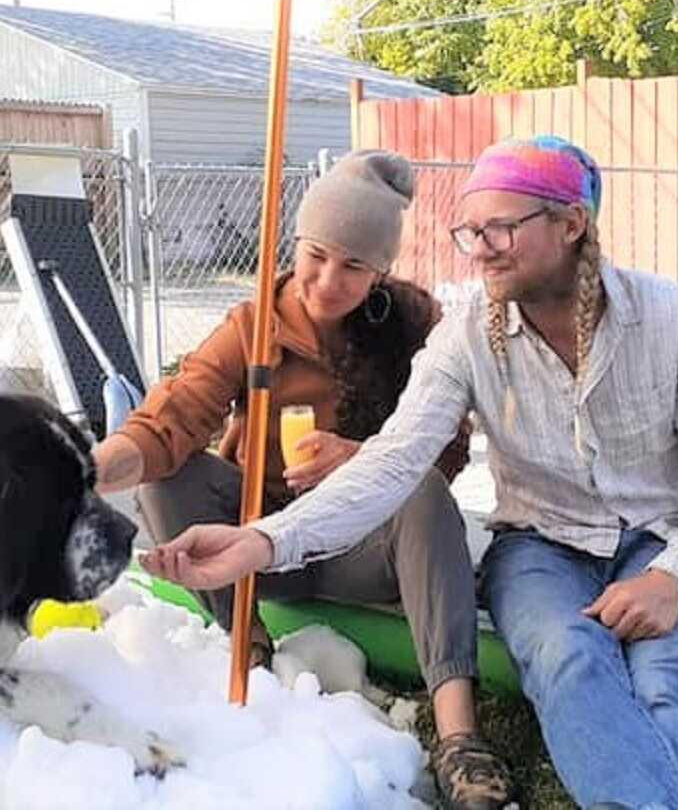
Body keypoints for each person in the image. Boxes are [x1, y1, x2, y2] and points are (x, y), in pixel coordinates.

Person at [142, 135, 678, 810]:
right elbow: (393, 461)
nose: (479, 247)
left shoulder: (670, 318)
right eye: (470, 230)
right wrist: (264, 541)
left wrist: (672, 575)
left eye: (499, 227)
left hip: (661, 539)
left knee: (665, 687)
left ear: (571, 224)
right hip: (539, 547)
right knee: (568, 657)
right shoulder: (467, 333)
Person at [93, 150, 516, 810]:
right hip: (257, 546)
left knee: (425, 490)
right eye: (317, 254)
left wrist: (360, 457)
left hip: (359, 548)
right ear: (296, 244)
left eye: (354, 265)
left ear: (381, 269)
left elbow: (450, 447)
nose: (326, 280)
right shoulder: (252, 326)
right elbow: (174, 417)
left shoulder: (412, 325)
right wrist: (89, 469)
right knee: (169, 473)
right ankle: (249, 645)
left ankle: (460, 735)